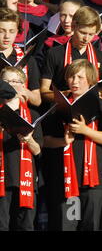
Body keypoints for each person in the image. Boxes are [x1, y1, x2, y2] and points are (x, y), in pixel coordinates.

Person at [43, 59, 102, 231]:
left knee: (91, 224)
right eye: (71, 77)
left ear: (90, 80)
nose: (74, 82)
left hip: (94, 175)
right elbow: (45, 141)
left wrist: (85, 130)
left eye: (80, 77)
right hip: (67, 175)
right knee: (67, 224)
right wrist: (63, 141)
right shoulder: (58, 106)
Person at [0, 66, 43, 231]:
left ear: (23, 85)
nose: (11, 85)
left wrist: (29, 139)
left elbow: (39, 152)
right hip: (2, 179)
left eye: (15, 81)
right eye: (6, 81)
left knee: (25, 226)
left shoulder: (33, 115)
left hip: (25, 178)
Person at [40, 6, 102, 103]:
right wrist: (64, 97)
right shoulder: (54, 53)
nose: (86, 38)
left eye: (91, 34)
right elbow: (43, 90)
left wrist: (99, 99)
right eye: (82, 33)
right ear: (73, 26)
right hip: (60, 108)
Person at [0, 8, 41, 107]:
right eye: (2, 31)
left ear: (17, 32)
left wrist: (22, 90)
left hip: (20, 112)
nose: (7, 36)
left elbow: (37, 101)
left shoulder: (27, 60)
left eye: (12, 31)